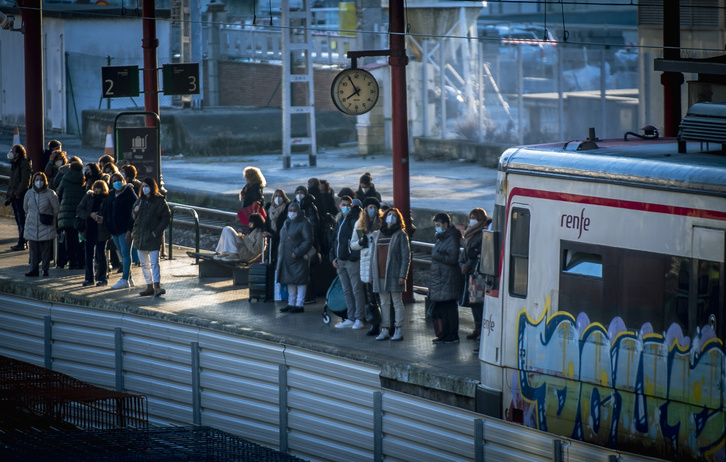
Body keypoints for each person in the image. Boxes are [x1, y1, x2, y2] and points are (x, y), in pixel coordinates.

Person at [371, 207, 411, 341]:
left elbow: (406, 256)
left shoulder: (400, 235)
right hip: (379, 274)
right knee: (384, 302)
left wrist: (402, 275)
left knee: (397, 302)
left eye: (394, 215)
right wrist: (372, 275)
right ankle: (385, 328)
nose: (391, 217)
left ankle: (398, 328)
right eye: (389, 214)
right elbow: (373, 255)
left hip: (394, 274)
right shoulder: (377, 234)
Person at [330, 195, 366, 329]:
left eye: (347, 205)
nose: (345, 207)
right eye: (342, 205)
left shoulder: (357, 221)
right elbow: (334, 240)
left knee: (357, 290)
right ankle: (350, 317)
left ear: (352, 206)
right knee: (347, 290)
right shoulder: (340, 220)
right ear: (340, 206)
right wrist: (333, 257)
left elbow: (363, 240)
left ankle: (359, 318)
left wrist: (354, 256)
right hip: (340, 261)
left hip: (351, 261)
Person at [131, 177, 171, 297]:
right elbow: (133, 216)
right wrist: (135, 212)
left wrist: (156, 232)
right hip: (140, 236)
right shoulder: (140, 200)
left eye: (147, 186)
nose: (144, 189)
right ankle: (149, 286)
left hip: (152, 237)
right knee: (144, 263)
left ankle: (157, 285)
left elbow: (166, 217)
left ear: (152, 187)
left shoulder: (159, 201)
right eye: (143, 186)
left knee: (154, 262)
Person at [429, 212, 464, 344]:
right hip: (441, 279)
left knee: (450, 308)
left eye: (438, 225)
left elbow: (453, 258)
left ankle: (452, 335)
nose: (436, 227)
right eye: (435, 225)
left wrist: (437, 256)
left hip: (448, 278)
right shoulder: (441, 237)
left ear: (445, 224)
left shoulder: (452, 238)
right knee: (444, 308)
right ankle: (444, 334)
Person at [350, 196, 383, 336]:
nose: (373, 210)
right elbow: (353, 244)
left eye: (375, 207)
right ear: (365, 209)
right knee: (371, 298)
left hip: (379, 262)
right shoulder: (360, 224)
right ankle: (375, 323)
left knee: (382, 296)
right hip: (366, 263)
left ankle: (386, 324)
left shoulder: (382, 223)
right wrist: (360, 244)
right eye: (370, 207)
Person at [459, 208, 491, 341]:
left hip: (477, 272)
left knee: (478, 301)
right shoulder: (469, 235)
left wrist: (469, 262)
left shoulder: (483, 234)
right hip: (470, 271)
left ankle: (480, 328)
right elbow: (468, 252)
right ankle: (477, 327)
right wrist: (462, 264)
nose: (472, 220)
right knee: (473, 301)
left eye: (474, 218)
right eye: (470, 217)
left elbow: (476, 253)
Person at [277, 202, 313, 313]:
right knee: (290, 280)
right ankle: (291, 303)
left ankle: (299, 304)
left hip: (299, 257)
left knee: (300, 281)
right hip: (287, 257)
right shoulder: (287, 222)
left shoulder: (304, 222)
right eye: (290, 210)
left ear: (299, 211)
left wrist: (297, 252)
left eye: (294, 210)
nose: (292, 212)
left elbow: (308, 240)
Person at [104, 172, 138, 289]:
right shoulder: (111, 194)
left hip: (125, 229)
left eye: (118, 180)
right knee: (122, 254)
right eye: (113, 181)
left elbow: (133, 213)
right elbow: (107, 209)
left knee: (125, 253)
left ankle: (124, 279)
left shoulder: (129, 193)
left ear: (123, 181)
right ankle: (129, 277)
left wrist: (130, 230)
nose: (116, 183)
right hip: (114, 229)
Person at [23, 172, 59, 277]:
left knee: (46, 250)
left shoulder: (50, 194)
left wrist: (49, 217)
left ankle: (45, 269)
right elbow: (26, 207)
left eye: (41, 180)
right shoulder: (29, 193)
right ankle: (33, 269)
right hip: (32, 224)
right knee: (33, 250)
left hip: (46, 224)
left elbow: (56, 209)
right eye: (37, 180)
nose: (39, 182)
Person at [76, 180, 111, 286]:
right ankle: (89, 278)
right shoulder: (88, 197)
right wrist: (90, 214)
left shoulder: (107, 199)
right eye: (96, 190)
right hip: (89, 229)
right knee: (89, 255)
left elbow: (110, 213)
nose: (97, 192)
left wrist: (102, 218)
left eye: (100, 190)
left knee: (101, 255)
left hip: (102, 230)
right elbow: (79, 209)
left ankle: (102, 278)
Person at [56, 161, 87, 269]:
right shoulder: (83, 180)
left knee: (69, 240)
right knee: (79, 239)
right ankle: (80, 261)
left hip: (66, 213)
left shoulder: (65, 179)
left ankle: (72, 262)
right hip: (79, 215)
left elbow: (58, 194)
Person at [292, 185, 320, 303]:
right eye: (297, 192)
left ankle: (309, 295)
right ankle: (300, 297)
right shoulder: (294, 206)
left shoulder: (310, 207)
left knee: (308, 271)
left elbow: (314, 226)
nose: (299, 194)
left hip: (308, 245)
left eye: (301, 192)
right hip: (297, 244)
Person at [6, 144, 32, 251]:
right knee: (18, 219)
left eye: (13, 151)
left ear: (18, 153)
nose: (11, 152)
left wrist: (17, 193)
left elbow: (25, 181)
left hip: (19, 196)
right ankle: (21, 240)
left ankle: (23, 241)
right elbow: (12, 181)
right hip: (14, 195)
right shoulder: (15, 164)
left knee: (22, 219)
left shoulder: (24, 164)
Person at [263, 189, 290, 264]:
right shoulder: (270, 209)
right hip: (272, 240)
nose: (278, 198)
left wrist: (274, 235)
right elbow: (267, 223)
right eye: (276, 196)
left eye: (280, 196)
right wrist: (265, 231)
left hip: (282, 239)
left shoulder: (287, 209)